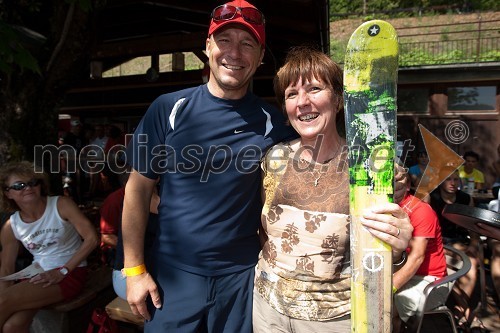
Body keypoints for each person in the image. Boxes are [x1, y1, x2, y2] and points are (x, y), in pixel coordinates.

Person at [121, 1, 297, 332]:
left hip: (243, 279)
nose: (235, 52)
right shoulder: (169, 109)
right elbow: (137, 189)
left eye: (248, 44)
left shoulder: (274, 122)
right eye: (224, 40)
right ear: (207, 47)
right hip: (174, 277)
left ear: (260, 59)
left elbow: (315, 168)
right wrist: (135, 270)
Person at [252, 47, 413, 332]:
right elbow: (263, 231)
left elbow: (383, 256)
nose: (302, 102)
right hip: (267, 310)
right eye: (291, 94)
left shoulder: (369, 168)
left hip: (335, 318)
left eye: (315, 89)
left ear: (338, 100)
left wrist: (397, 250)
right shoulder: (274, 159)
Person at [0, 161, 98, 333]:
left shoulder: (61, 204)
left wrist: (63, 271)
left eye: (33, 182)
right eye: (19, 185)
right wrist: (8, 297)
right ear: (8, 194)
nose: (28, 188)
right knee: (11, 326)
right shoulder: (11, 226)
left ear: (40, 185)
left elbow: (92, 239)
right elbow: (6, 268)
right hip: (36, 275)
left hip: (70, 272)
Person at [427, 169, 485, 331]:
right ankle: (466, 311)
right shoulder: (433, 197)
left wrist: (474, 243)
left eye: (456, 179)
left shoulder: (465, 199)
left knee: (471, 265)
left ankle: (459, 310)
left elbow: (473, 226)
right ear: (441, 181)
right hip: (440, 244)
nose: (452, 183)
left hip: (460, 241)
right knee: (451, 268)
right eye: (448, 179)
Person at [392, 191, 447, 332]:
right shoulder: (391, 205)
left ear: (407, 185)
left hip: (429, 281)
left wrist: (389, 288)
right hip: (406, 271)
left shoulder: (421, 210)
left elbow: (417, 257)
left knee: (384, 305)